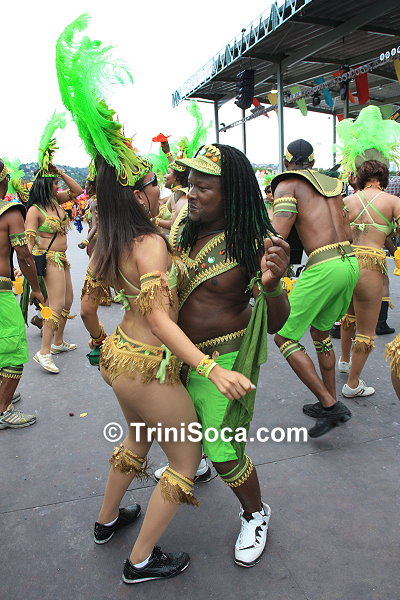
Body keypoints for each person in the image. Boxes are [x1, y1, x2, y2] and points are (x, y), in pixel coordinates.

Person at [56, 16, 255, 583]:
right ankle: (140, 559)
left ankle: (106, 522)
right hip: (148, 365)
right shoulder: (148, 244)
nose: (165, 187)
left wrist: (100, 347)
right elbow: (163, 322)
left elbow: (88, 309)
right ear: (139, 192)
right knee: (186, 462)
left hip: (118, 358)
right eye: (154, 182)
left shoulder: (106, 238)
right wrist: (211, 369)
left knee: (137, 441)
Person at [158, 143, 290, 568]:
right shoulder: (184, 225)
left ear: (230, 193)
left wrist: (273, 285)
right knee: (180, 426)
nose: (191, 194)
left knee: (226, 450)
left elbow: (275, 323)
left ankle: (255, 513)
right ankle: (194, 464)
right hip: (179, 355)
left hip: (226, 359)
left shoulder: (254, 241)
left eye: (203, 187)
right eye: (190, 184)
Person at [271, 139, 359, 438]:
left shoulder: (287, 185)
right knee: (321, 334)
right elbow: (348, 233)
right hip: (349, 262)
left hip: (323, 266)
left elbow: (277, 236)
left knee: (284, 337)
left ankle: (330, 405)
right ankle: (329, 400)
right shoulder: (332, 186)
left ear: (287, 162)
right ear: (312, 160)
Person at [336, 106, 400, 396]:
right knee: (367, 329)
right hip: (372, 265)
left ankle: (343, 360)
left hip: (346, 262)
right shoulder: (392, 201)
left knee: (348, 317)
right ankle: (352, 384)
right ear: (383, 175)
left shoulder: (347, 201)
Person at [24, 114, 84, 373]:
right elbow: (28, 243)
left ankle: (58, 342)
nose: (58, 185)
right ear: (45, 185)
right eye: (55, 182)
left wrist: (59, 171)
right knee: (55, 305)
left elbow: (78, 190)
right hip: (48, 260)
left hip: (63, 260)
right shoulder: (35, 210)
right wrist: (30, 273)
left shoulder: (55, 201)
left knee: (68, 301)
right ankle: (44, 351)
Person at [0, 159, 45, 429]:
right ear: (3, 181)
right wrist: (36, 289)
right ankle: (2, 411)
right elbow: (24, 256)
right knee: (14, 349)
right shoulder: (10, 213)